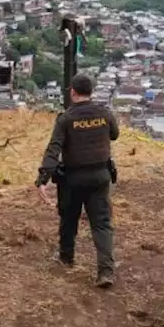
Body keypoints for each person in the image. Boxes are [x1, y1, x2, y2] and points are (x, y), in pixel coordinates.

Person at [37, 73, 119, 288]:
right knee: (101, 224)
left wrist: (43, 178)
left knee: (69, 218)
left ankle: (66, 257)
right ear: (91, 91)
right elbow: (114, 135)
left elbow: (54, 148)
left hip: (72, 178)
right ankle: (105, 272)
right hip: (100, 176)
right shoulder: (105, 114)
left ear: (73, 92)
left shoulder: (66, 119)